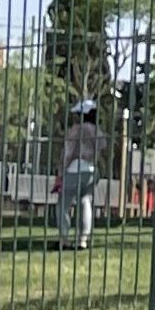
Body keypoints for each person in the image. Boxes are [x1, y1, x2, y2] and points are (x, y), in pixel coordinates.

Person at [56, 97, 104, 249]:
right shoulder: (97, 131)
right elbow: (102, 148)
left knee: (63, 203)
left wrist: (61, 171)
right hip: (90, 169)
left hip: (74, 169)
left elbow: (68, 152)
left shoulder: (76, 130)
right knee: (86, 202)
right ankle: (83, 239)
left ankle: (64, 238)